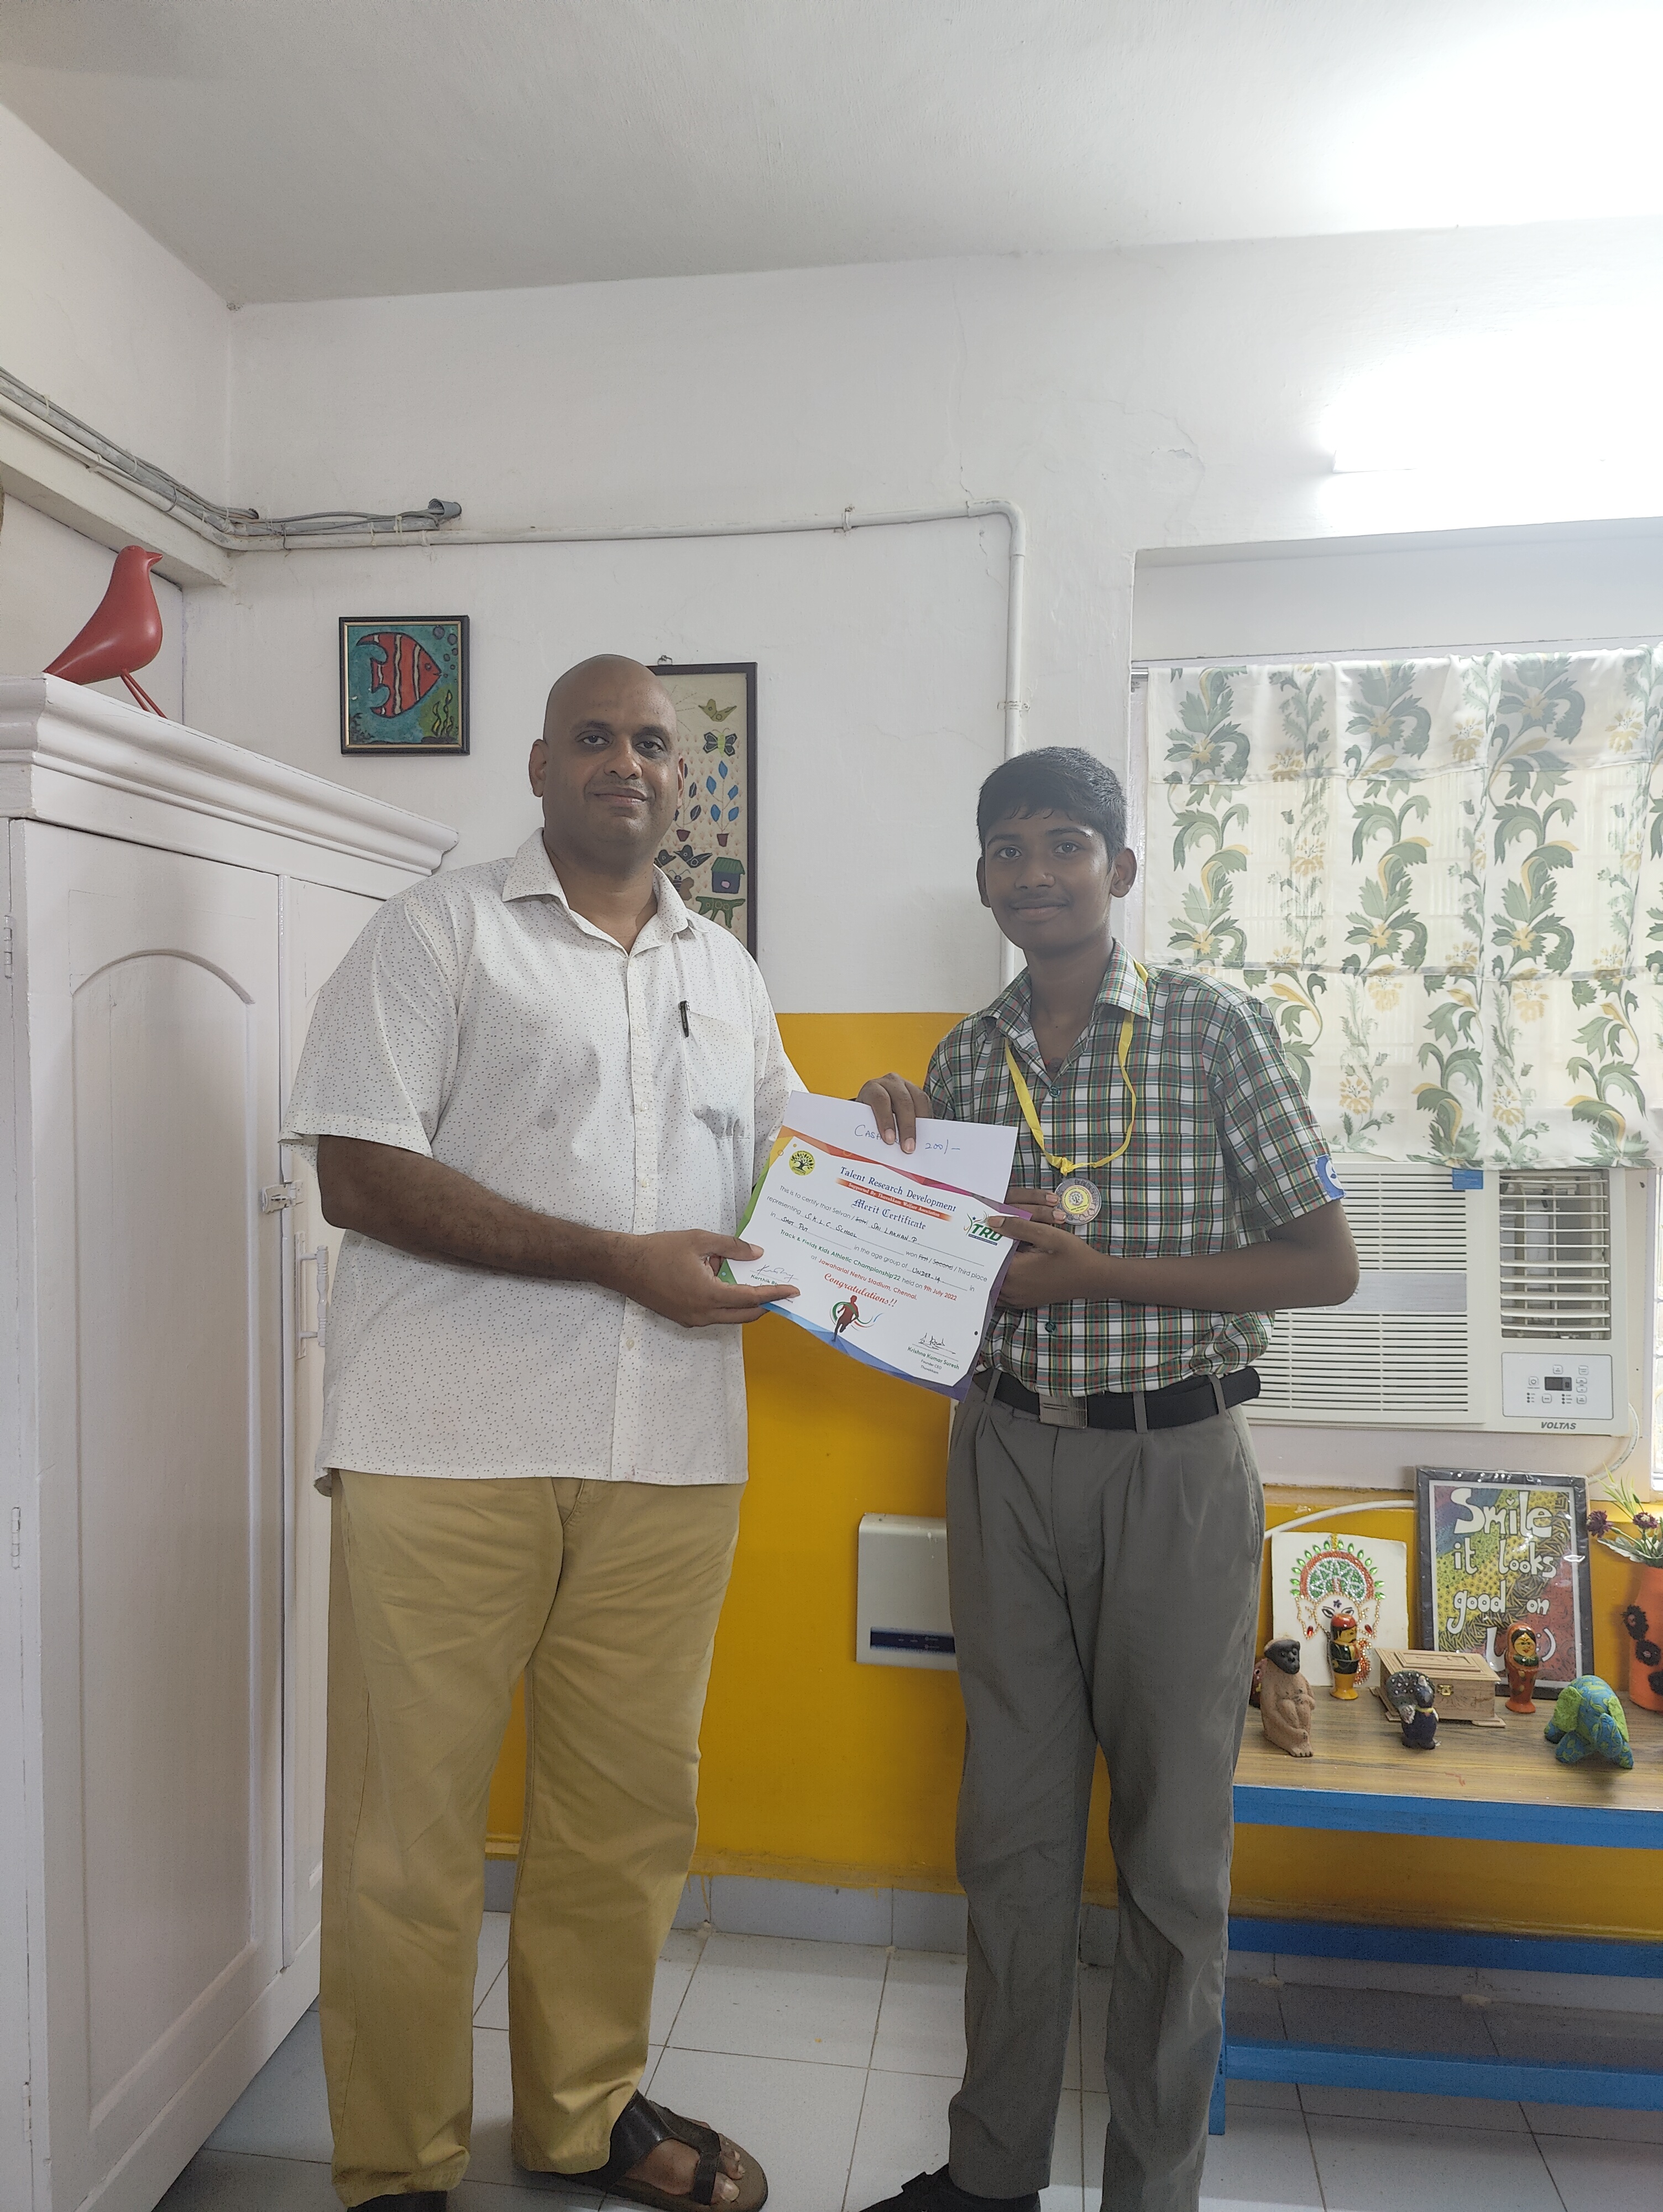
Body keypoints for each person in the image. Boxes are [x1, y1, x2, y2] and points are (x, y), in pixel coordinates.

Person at [283, 655, 798, 2212]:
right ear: (538, 765)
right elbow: (360, 1173)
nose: (625, 761)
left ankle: (582, 2118)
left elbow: (792, 1182)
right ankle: (397, 2166)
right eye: (594, 736)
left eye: (652, 742)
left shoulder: (730, 973)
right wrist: (614, 1260)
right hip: (447, 1447)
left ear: (683, 778)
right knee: (406, 1839)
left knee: (625, 1822)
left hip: (670, 1457)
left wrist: (921, 1173)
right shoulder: (438, 933)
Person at [855, 746, 1358, 2212]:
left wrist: (1098, 1274)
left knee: (1173, 1859)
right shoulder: (964, 1059)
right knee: (1009, 1839)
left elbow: (1324, 1264)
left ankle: (1154, 2189)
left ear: (1120, 869)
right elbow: (948, 1276)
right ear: (982, 878)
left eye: (1066, 844)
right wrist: (885, 1167)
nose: (1036, 874)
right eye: (1007, 850)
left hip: (1175, 1466)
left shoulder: (1211, 1027)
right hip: (1006, 1453)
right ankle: (993, 2172)